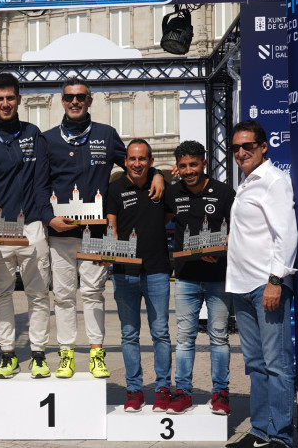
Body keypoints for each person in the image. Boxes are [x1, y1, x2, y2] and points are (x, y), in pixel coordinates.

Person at [35, 77, 164, 378]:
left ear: (90, 100)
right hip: (60, 232)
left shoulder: (106, 135)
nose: (75, 102)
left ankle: (96, 353)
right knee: (64, 295)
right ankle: (66, 353)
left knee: (93, 294)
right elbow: (40, 186)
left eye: (81, 97)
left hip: (96, 233)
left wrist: (156, 172)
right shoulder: (48, 139)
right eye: (69, 97)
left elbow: (134, 164)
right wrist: (47, 217)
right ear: (62, 102)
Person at [0, 73, 51, 378]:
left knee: (39, 294)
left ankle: (39, 353)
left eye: (10, 98)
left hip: (31, 227)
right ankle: (7, 354)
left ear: (19, 99)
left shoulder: (34, 133)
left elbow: (42, 183)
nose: (5, 103)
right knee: (1, 294)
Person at [225, 121, 297, 448]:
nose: (241, 153)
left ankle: (280, 436)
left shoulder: (274, 182)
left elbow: (287, 235)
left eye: (248, 146)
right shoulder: (246, 183)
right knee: (255, 365)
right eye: (236, 148)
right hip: (241, 287)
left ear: (264, 147)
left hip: (264, 287)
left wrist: (275, 281)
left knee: (276, 366)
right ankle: (259, 432)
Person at [163, 140, 235, 415]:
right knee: (184, 338)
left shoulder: (224, 192)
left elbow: (237, 229)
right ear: (177, 168)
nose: (189, 170)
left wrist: (221, 249)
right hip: (186, 277)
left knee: (218, 337)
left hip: (218, 276)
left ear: (204, 163)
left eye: (193, 164)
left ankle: (221, 394)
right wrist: (162, 177)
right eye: (183, 166)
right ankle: (182, 392)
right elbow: (156, 213)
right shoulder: (173, 193)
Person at [106, 139, 172, 412]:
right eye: (132, 158)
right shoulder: (115, 188)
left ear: (151, 161)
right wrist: (107, 255)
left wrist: (160, 177)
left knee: (161, 333)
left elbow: (168, 215)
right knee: (129, 334)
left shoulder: (161, 187)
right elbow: (112, 227)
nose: (136, 163)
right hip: (124, 273)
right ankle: (134, 390)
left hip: (157, 270)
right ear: (126, 161)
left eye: (142, 159)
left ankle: (163, 388)